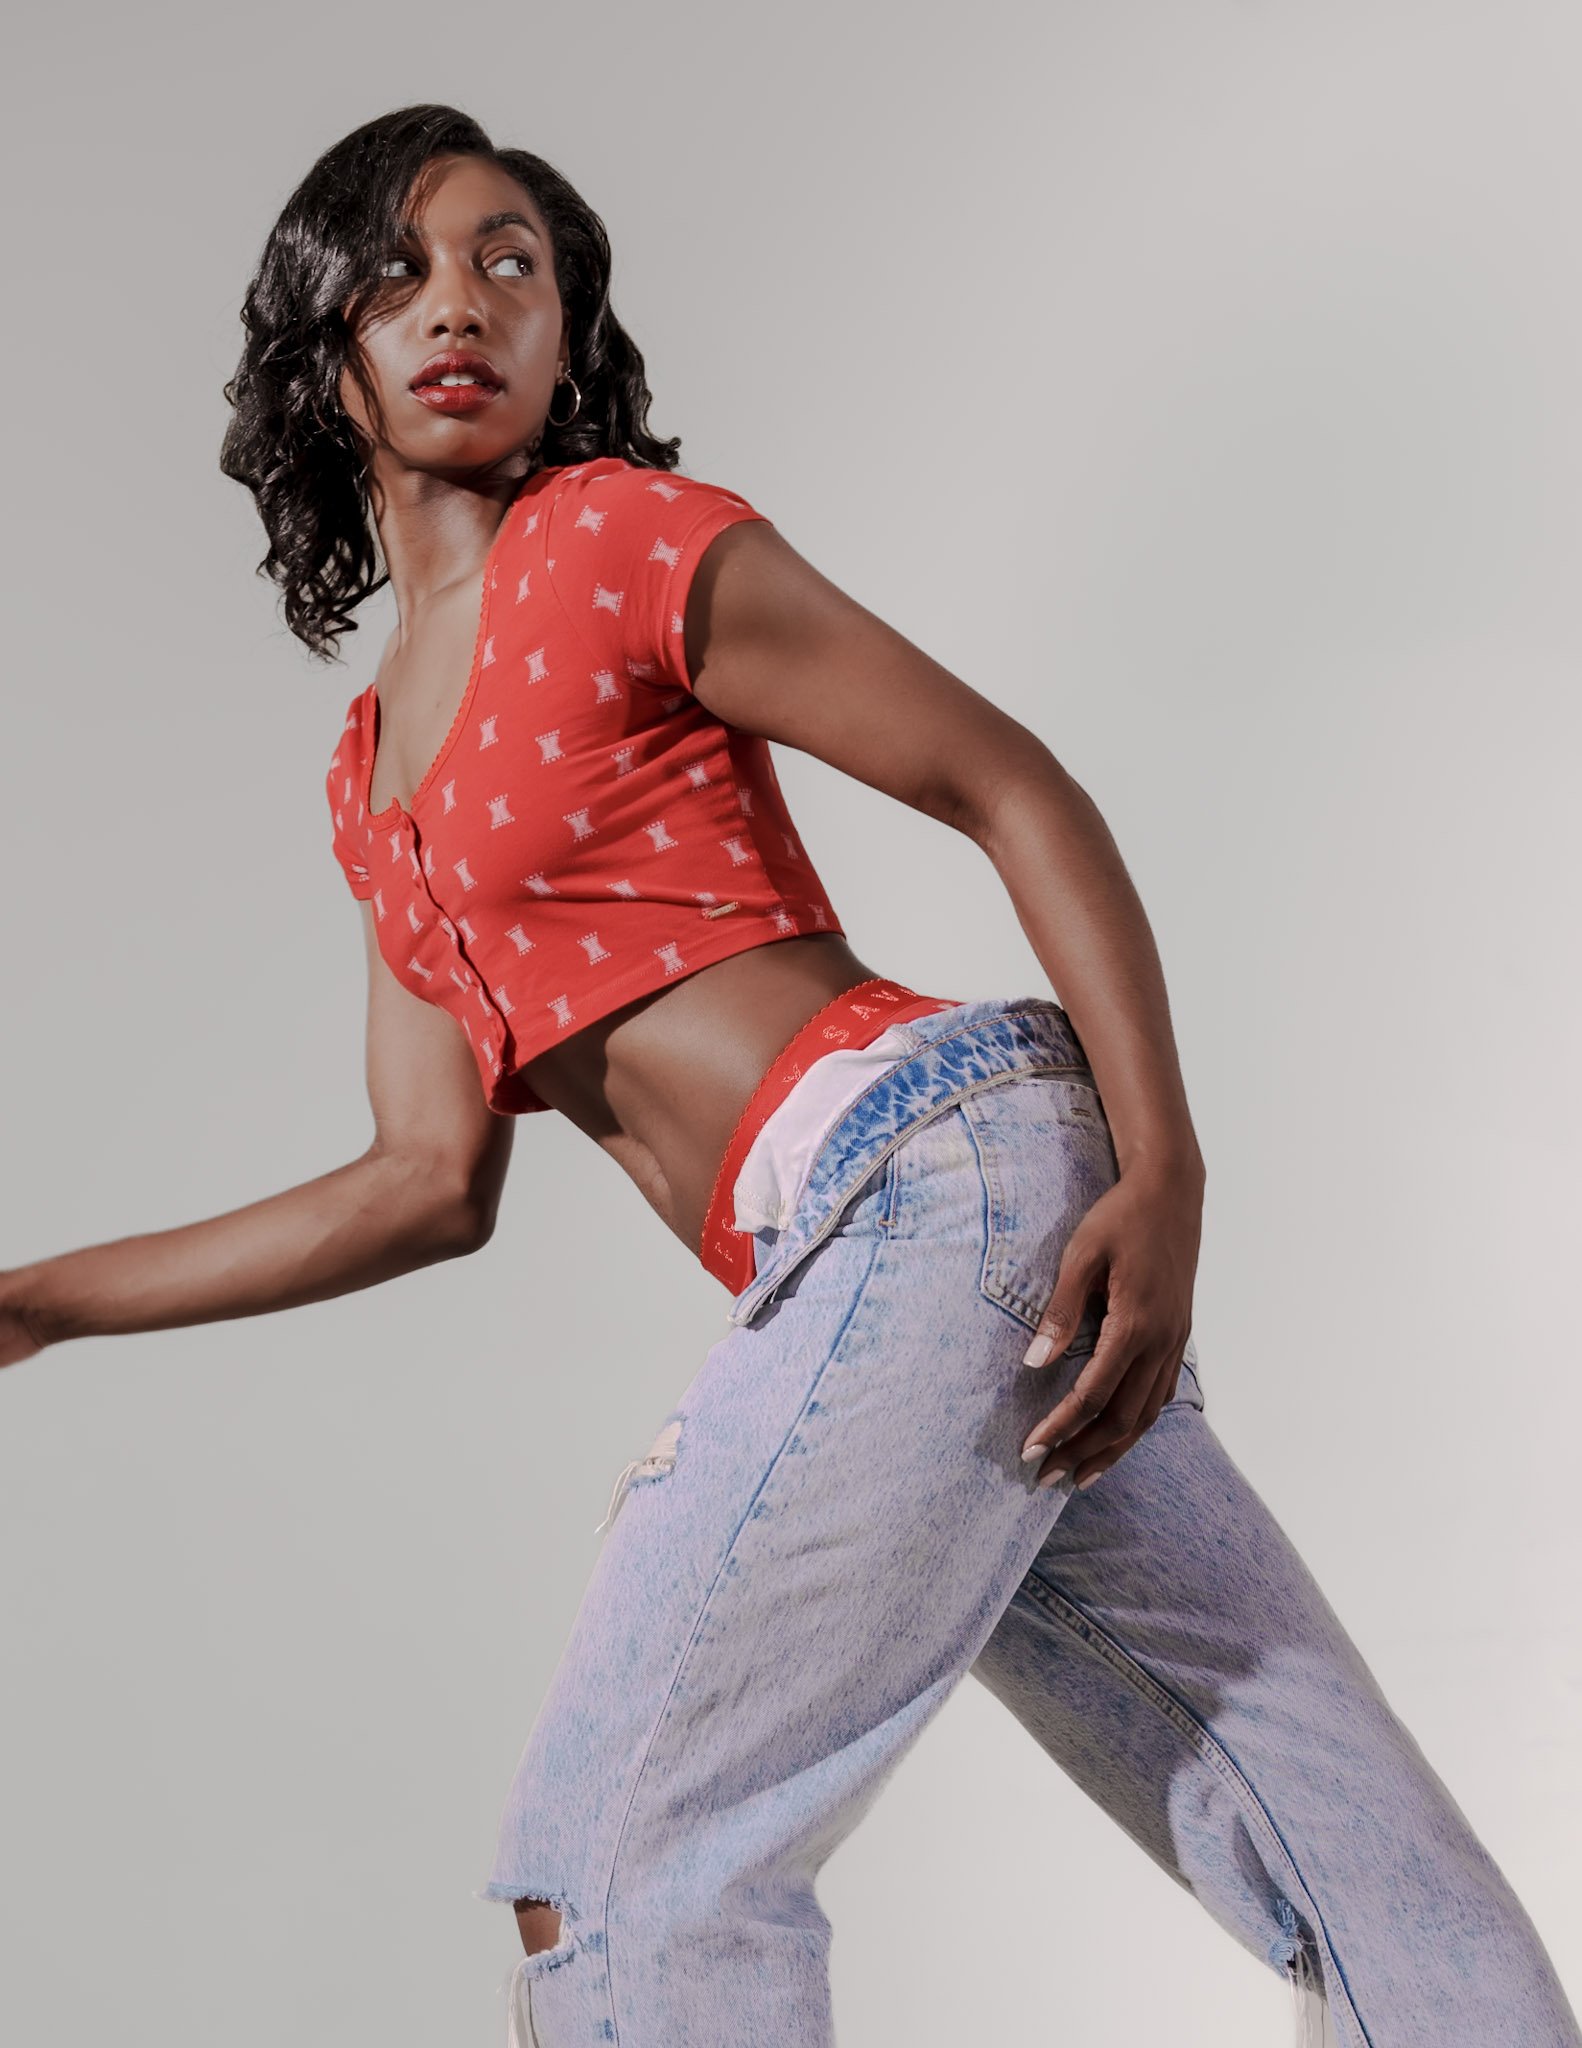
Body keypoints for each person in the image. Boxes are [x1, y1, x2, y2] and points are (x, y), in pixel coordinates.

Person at [3, 102, 1576, 2048]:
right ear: (323, 342)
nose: (458, 305)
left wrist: (1165, 1167)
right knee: (1341, 1841)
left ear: (570, 333)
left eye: (510, 263)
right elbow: (418, 1178)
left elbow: (1004, 780)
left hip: (928, 1177)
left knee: (623, 1865)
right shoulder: (369, 779)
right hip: (899, 1254)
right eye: (399, 273)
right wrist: (33, 1303)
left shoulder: (614, 541)